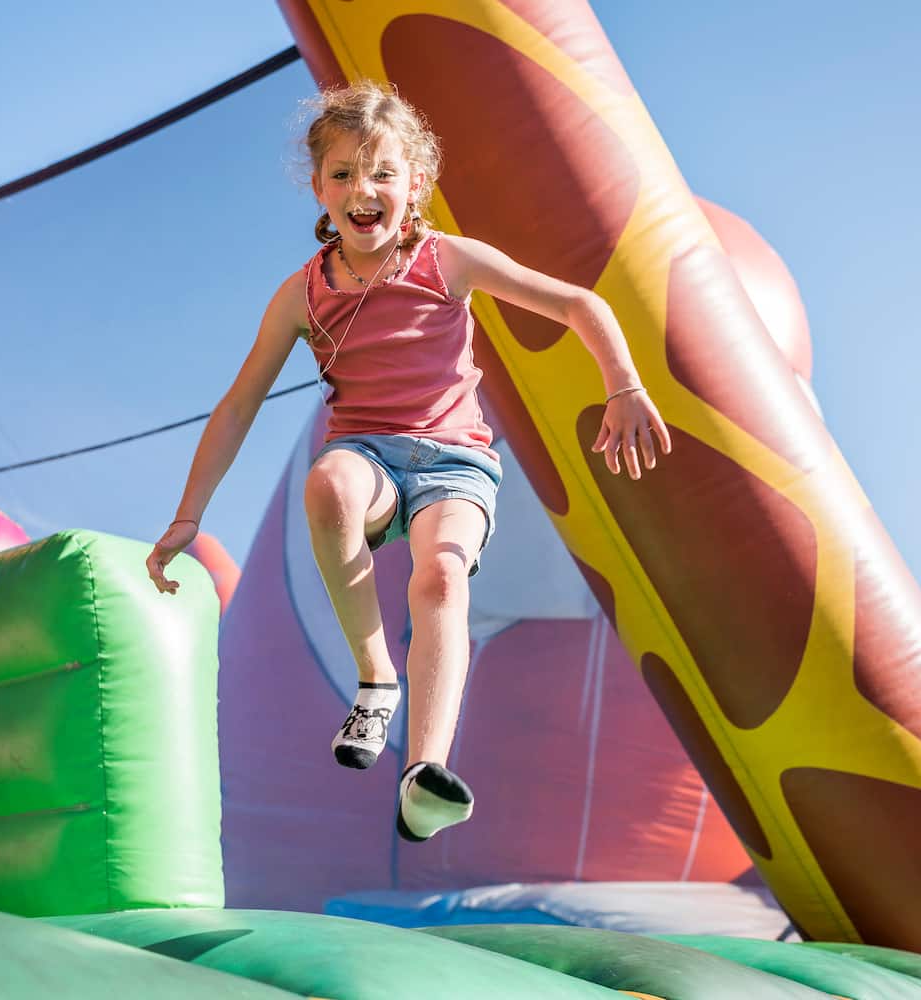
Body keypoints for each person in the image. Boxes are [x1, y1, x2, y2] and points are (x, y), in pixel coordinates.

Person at [145, 81, 670, 843]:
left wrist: (623, 385)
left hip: (455, 464)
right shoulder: (301, 295)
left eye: (383, 174)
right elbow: (237, 406)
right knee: (329, 483)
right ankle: (375, 679)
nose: (364, 191)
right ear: (319, 187)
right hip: (369, 458)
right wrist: (188, 515)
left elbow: (578, 305)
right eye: (344, 174)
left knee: (442, 577)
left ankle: (425, 771)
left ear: (415, 184)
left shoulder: (446, 260)